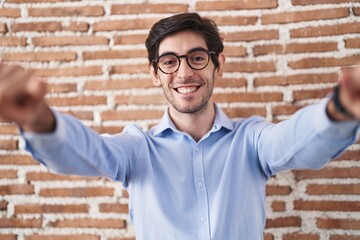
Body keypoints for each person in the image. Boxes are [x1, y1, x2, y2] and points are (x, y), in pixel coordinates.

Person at [0, 12, 359, 240]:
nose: (184, 73)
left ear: (219, 64)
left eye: (197, 58)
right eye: (169, 62)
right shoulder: (137, 148)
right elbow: (87, 152)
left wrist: (341, 108)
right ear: (154, 74)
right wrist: (40, 120)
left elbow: (295, 142)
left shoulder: (251, 140)